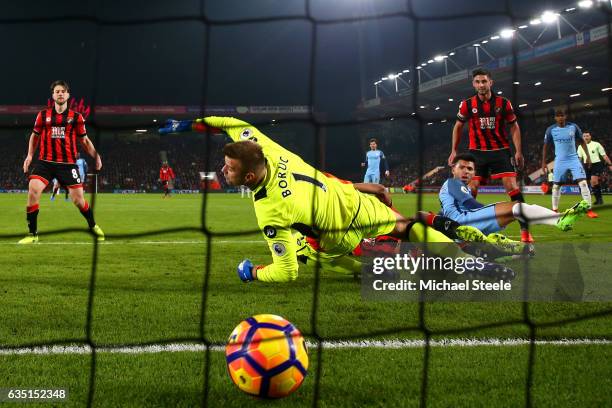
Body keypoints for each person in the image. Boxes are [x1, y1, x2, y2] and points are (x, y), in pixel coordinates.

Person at [160, 116, 514, 283]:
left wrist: (251, 272)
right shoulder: (266, 147)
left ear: (250, 177)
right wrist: (188, 125)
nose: (223, 170)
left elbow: (286, 273)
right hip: (354, 202)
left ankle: (454, 263)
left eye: (230, 168)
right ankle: (472, 260)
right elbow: (230, 122)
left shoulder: (269, 209)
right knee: (411, 225)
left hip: (335, 238)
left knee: (378, 269)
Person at [448, 68, 533, 243]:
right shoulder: (466, 104)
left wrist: (518, 151)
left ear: (491, 82)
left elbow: (514, 126)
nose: (481, 85)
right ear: (473, 84)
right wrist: (454, 151)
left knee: (512, 187)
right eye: (478, 82)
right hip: (476, 153)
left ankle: (525, 231)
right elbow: (458, 126)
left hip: (500, 151)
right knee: (471, 189)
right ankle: (468, 231)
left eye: (484, 81)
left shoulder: (503, 103)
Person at [19, 80, 104, 244]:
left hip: (68, 165)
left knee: (78, 200)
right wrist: (30, 156)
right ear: (52, 95)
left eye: (63, 91)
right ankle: (32, 234)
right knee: (33, 189)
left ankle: (93, 226)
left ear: (68, 95)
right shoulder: (42, 115)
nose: (60, 93)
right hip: (45, 163)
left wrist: (97, 156)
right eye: (57, 91)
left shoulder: (76, 118)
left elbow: (85, 141)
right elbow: (35, 136)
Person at [439, 153, 588, 241]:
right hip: (464, 220)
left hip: (460, 225)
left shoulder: (456, 186)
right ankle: (559, 220)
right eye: (462, 167)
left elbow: (445, 211)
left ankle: (559, 220)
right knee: (515, 207)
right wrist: (492, 211)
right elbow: (470, 204)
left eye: (470, 169)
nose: (466, 171)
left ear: (474, 172)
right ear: (453, 169)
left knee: (517, 210)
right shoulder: (453, 183)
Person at [541, 109, 596, 218]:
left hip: (573, 159)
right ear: (555, 118)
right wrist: (543, 162)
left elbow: (582, 142)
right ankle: (555, 210)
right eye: (558, 116)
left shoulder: (573, 127)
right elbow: (545, 146)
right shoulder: (551, 130)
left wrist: (588, 156)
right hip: (560, 161)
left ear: (565, 116)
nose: (560, 118)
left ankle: (589, 209)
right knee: (556, 186)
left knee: (583, 183)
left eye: (562, 115)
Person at [577, 130, 612, 206]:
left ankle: (600, 200)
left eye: (587, 136)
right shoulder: (580, 146)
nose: (586, 137)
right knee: (591, 184)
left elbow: (604, 155)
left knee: (594, 181)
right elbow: (579, 158)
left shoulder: (596, 144)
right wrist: (577, 166)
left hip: (596, 164)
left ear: (590, 137)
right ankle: (598, 199)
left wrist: (610, 164)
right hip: (586, 165)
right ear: (582, 137)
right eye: (584, 136)